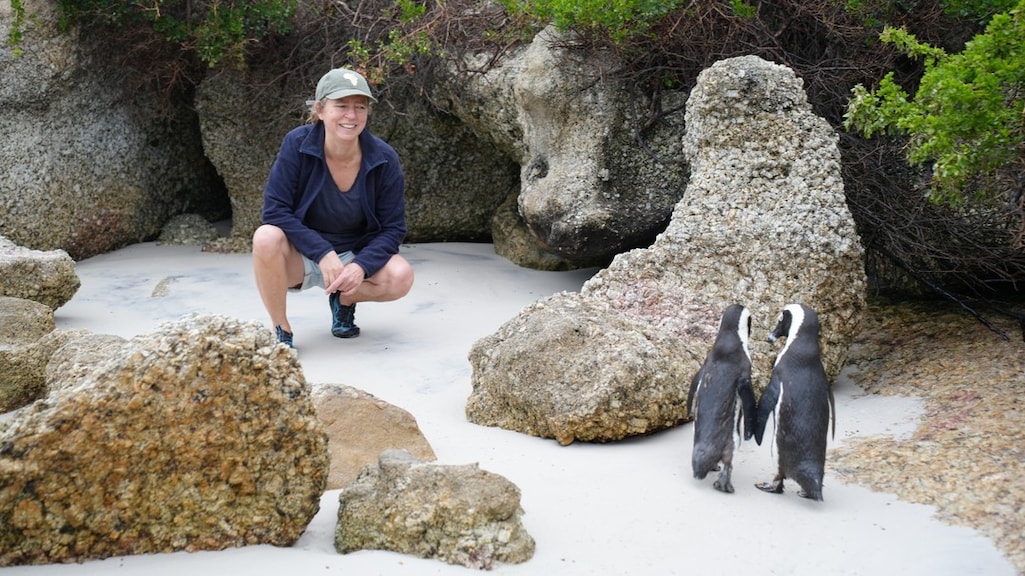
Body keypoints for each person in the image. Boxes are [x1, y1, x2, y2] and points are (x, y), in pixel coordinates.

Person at [252, 67, 414, 348]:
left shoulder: (384, 158)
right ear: (320, 110)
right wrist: (323, 253)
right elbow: (275, 210)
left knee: (401, 277)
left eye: (359, 107)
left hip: (354, 253)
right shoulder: (297, 144)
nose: (351, 116)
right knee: (266, 237)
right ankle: (282, 329)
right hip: (302, 254)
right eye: (341, 106)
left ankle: (344, 298)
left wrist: (361, 266)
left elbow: (393, 228)